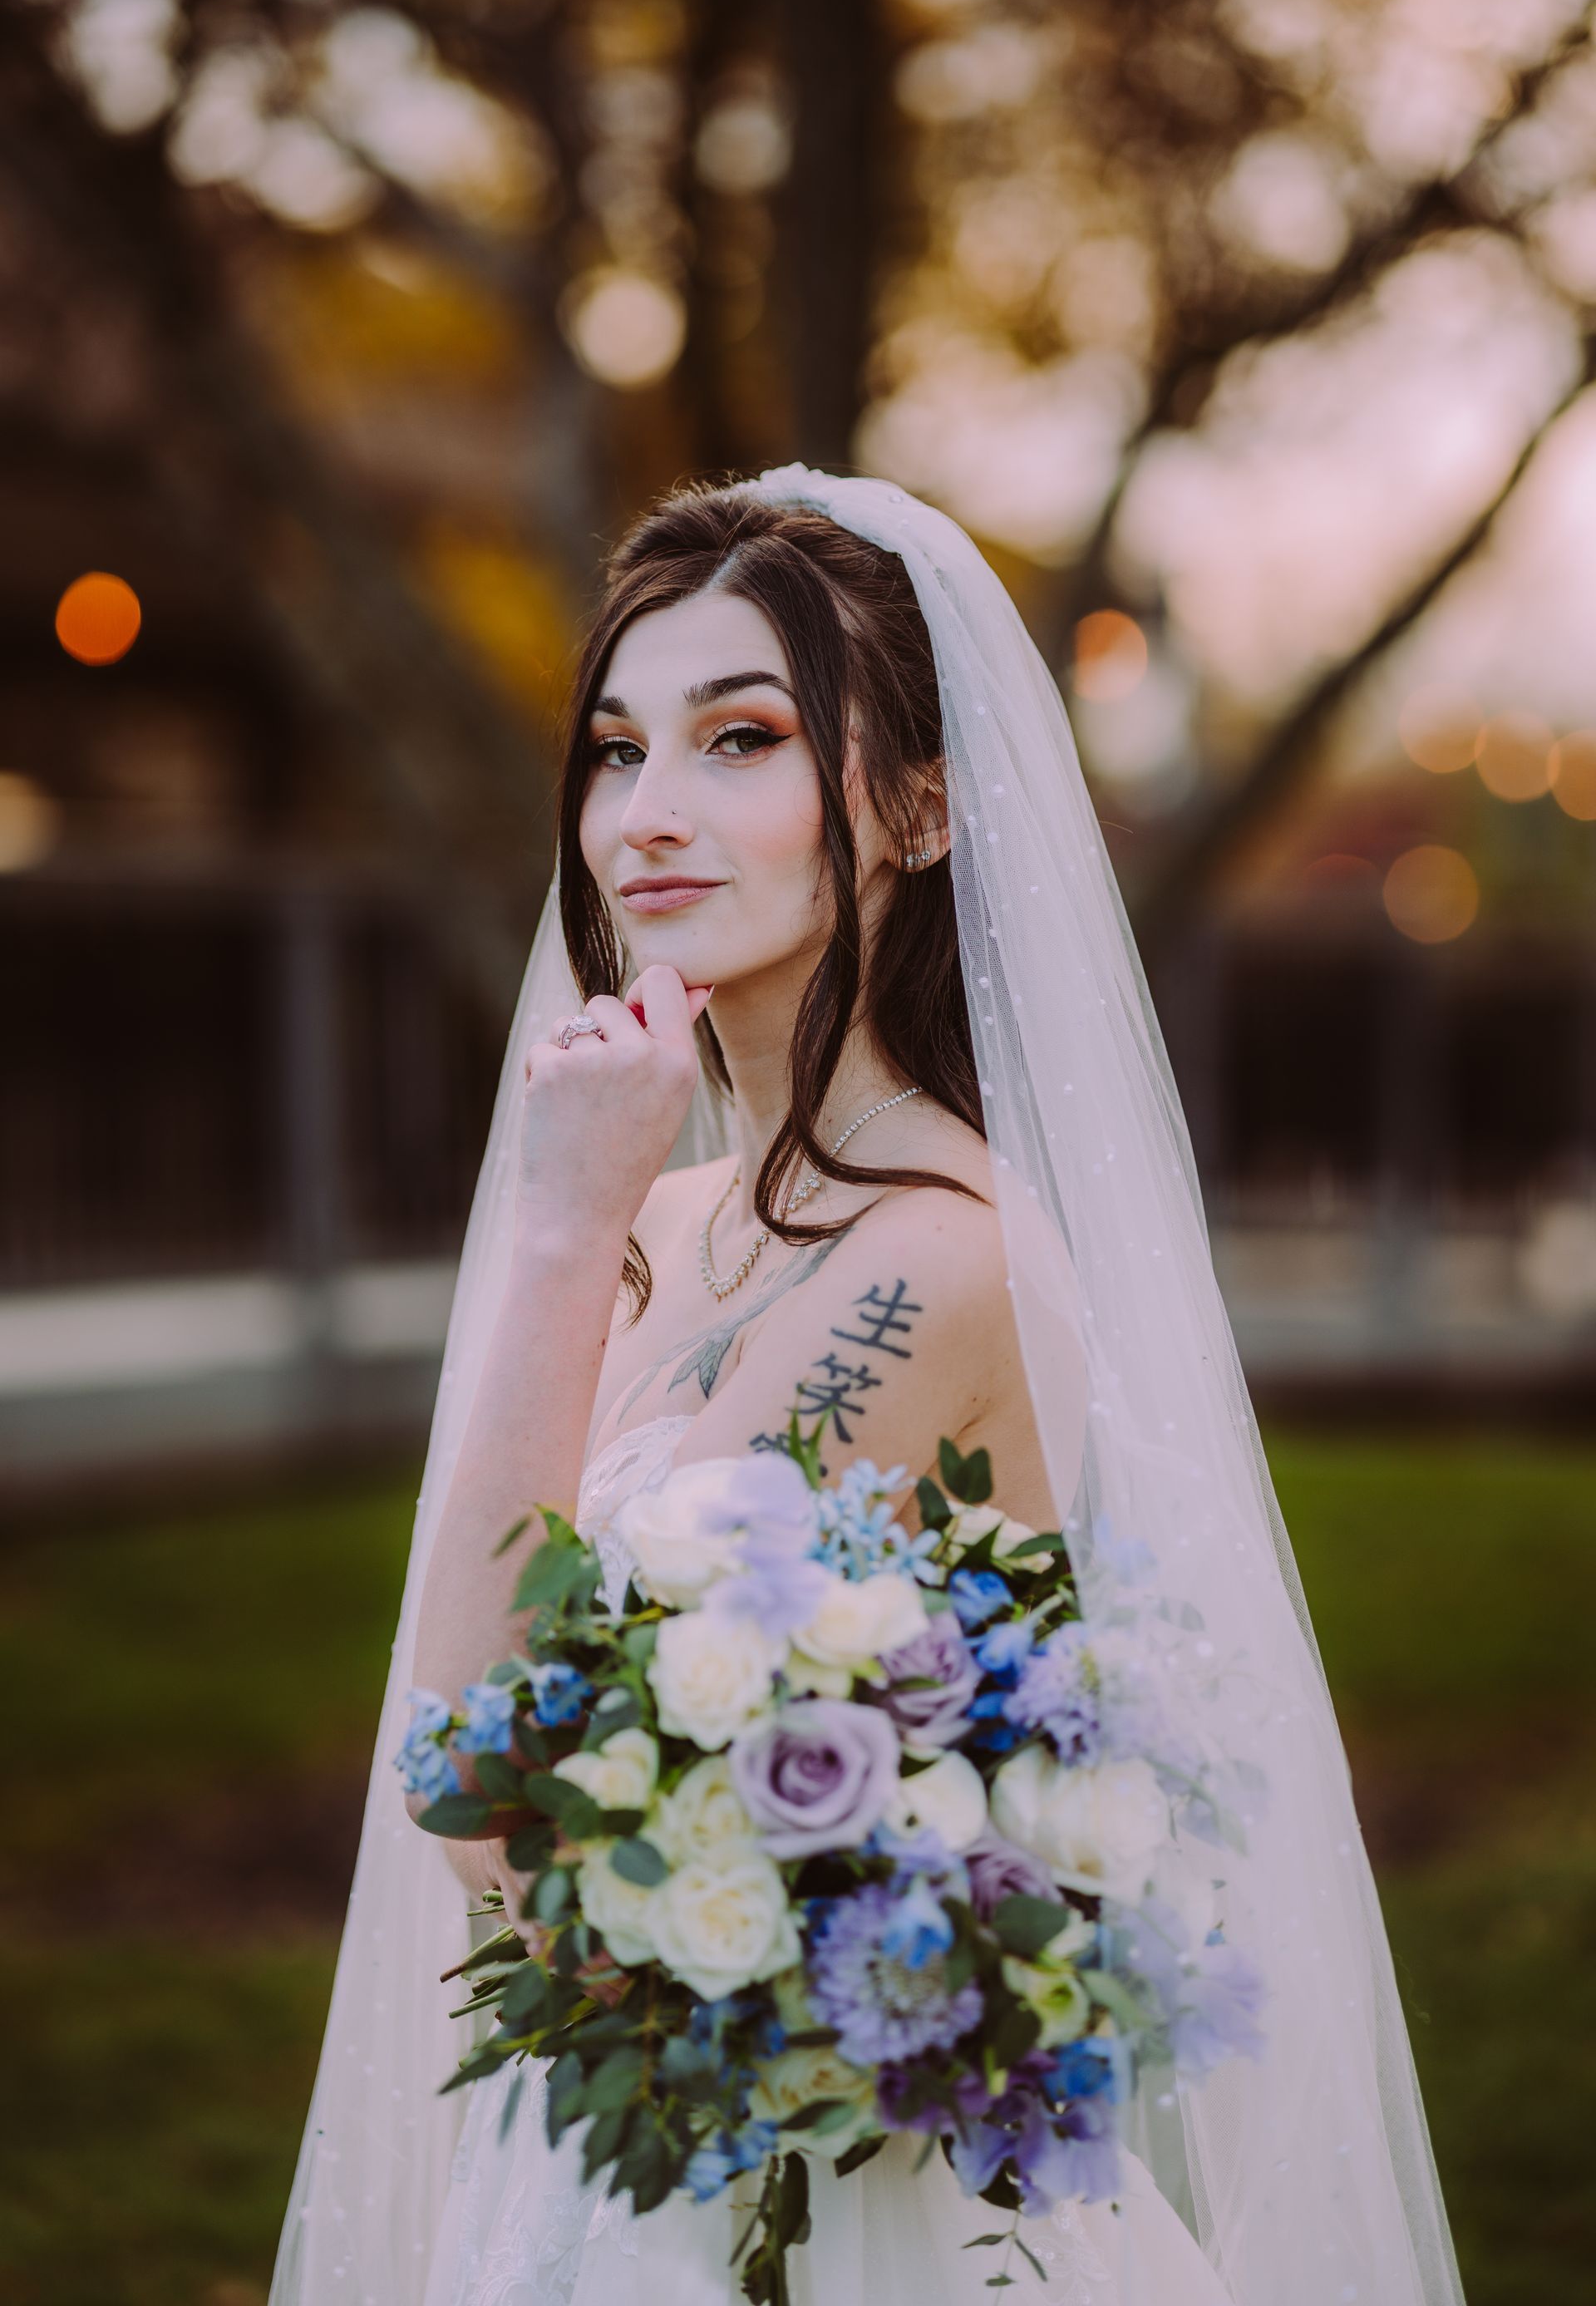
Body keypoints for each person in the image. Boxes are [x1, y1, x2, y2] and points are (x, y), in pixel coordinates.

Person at [270, 473, 1464, 2306]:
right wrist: (597, 1218)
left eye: (739, 739)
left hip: (824, 2217)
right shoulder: (668, 1217)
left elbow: (479, 1783)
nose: (645, 819)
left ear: (915, 804)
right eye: (614, 752)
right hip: (620, 2145)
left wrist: (554, 1228)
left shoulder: (936, 1259)